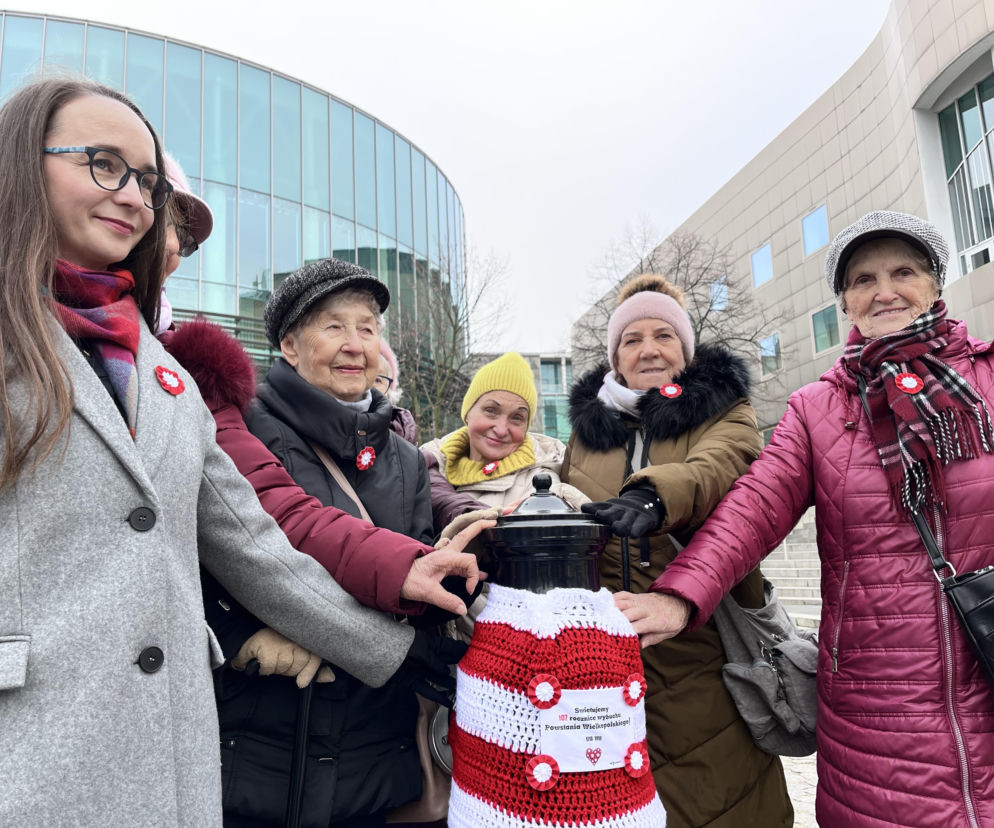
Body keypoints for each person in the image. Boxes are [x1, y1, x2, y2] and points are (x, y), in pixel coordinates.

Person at [0, 76, 480, 826]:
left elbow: (253, 541)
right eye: (102, 163)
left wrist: (397, 650)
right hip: (28, 751)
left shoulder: (166, 376)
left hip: (169, 756)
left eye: (147, 180)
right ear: (22, 165)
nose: (132, 196)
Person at [618, 211, 994, 827]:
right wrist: (680, 597)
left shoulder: (988, 379)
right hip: (874, 705)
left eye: (903, 272)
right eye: (863, 279)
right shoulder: (818, 408)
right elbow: (753, 509)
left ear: (935, 283)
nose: (884, 291)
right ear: (845, 300)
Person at [206, 258, 453, 827]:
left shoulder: (407, 460)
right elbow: (205, 555)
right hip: (252, 749)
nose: (354, 344)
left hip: (372, 758)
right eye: (333, 326)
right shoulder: (241, 426)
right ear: (289, 346)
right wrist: (244, 632)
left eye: (367, 328)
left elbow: (412, 597)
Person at [562, 275, 793, 827]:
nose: (648, 349)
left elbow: (720, 464)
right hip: (606, 662)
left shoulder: (723, 410)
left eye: (663, 335)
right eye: (632, 338)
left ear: (685, 349)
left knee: (726, 802)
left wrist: (653, 497)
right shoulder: (586, 435)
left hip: (704, 650)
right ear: (615, 355)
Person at [422, 351, 587, 533]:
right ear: (468, 412)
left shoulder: (540, 482)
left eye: (517, 417)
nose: (501, 429)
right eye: (491, 410)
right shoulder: (424, 465)